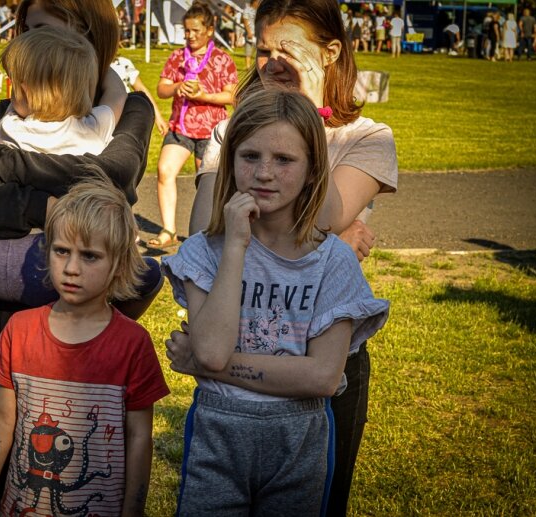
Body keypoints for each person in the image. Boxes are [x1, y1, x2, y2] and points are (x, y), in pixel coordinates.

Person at [180, 0, 398, 514]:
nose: (274, 62)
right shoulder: (232, 132)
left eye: (289, 49)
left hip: (317, 348)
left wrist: (308, 102)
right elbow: (205, 229)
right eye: (263, 50)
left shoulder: (367, 137)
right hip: (237, 336)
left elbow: (321, 216)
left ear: (331, 52)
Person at [0, 0, 158, 514]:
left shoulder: (129, 110)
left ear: (85, 33)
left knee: (66, 447)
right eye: (27, 29)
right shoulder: (16, 112)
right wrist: (51, 206)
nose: (31, 40)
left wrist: (12, 166)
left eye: (45, 29)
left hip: (75, 315)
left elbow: (113, 177)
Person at [0, 176, 169, 517]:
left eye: (90, 256)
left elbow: (140, 437)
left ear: (119, 264)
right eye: (62, 251)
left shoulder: (133, 345)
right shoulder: (19, 330)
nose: (72, 268)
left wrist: (132, 510)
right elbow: (2, 418)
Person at [0, 25, 129, 304]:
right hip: (60, 270)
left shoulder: (9, 126)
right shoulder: (93, 129)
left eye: (14, 83)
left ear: (25, 91)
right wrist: (93, 65)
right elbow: (118, 94)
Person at [148, 1, 238, 249]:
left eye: (195, 31)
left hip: (211, 131)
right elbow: (161, 89)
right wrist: (177, 87)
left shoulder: (222, 60)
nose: (190, 36)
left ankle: (207, 233)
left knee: (206, 183)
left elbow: (231, 96)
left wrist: (203, 95)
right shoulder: (177, 57)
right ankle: (169, 231)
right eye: (186, 30)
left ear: (210, 30)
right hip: (181, 128)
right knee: (165, 170)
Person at [111, 54, 169, 135]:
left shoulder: (123, 63)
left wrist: (158, 118)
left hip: (125, 119)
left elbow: (141, 89)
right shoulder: (92, 63)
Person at [243, 0, 260, 69]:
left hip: (258, 33)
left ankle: (256, 66)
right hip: (250, 33)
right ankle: (248, 66)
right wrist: (249, 32)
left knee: (258, 50)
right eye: (257, 2)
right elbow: (245, 22)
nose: (259, 3)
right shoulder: (247, 10)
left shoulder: (259, 10)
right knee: (248, 50)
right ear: (254, 2)